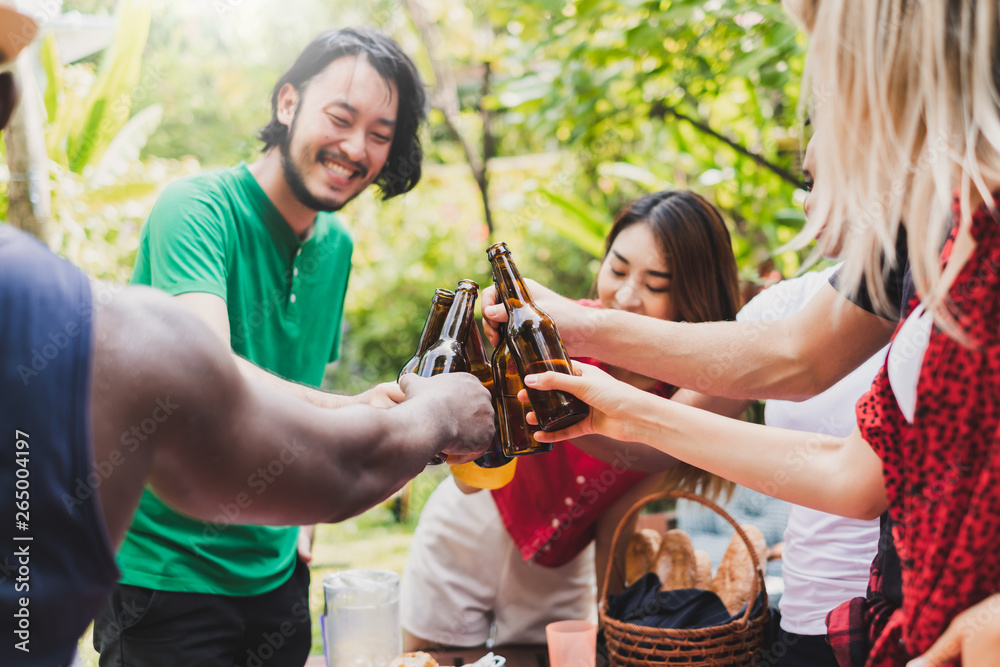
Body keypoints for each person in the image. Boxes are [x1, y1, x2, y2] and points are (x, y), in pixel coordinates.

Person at [509, 1, 1000, 665]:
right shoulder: (936, 241)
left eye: (834, 54)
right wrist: (613, 393)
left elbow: (800, 367)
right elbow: (851, 461)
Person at [91, 27, 428, 667]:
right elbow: (207, 376)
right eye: (340, 117)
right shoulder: (194, 210)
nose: (356, 147)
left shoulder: (337, 247)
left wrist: (302, 523)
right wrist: (352, 412)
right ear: (287, 103)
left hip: (277, 580)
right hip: (165, 581)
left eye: (381, 134)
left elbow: (299, 376)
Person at [400, 190, 742, 649]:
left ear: (696, 293)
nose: (625, 295)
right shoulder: (552, 332)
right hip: (470, 526)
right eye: (617, 269)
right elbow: (471, 473)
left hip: (560, 571)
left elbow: (623, 502)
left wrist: (616, 631)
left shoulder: (691, 388)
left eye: (655, 284)